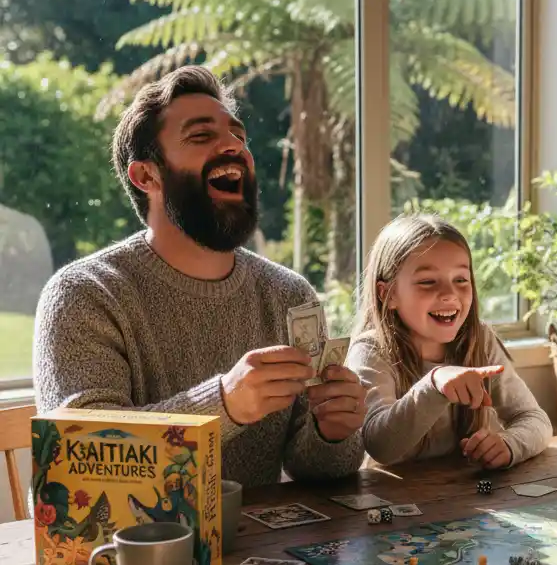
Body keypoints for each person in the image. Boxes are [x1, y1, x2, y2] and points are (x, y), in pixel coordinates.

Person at [33, 65, 366, 486]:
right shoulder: (84, 295)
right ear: (146, 175)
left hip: (256, 530)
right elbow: (83, 462)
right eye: (201, 135)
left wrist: (333, 432)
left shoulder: (288, 293)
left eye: (238, 135)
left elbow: (315, 469)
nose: (234, 146)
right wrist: (225, 404)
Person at [346, 214, 552, 468]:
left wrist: (509, 444)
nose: (449, 294)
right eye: (427, 282)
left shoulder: (480, 340)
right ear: (387, 293)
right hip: (389, 492)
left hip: (465, 490)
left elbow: (535, 419)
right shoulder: (371, 351)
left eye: (461, 280)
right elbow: (380, 446)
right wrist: (434, 384)